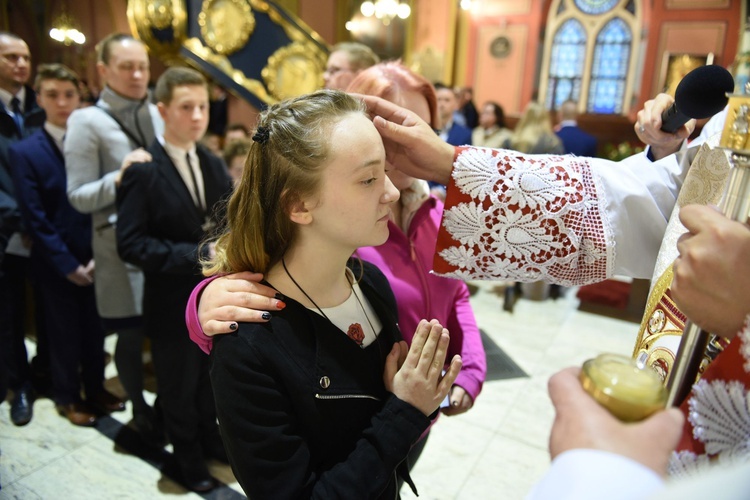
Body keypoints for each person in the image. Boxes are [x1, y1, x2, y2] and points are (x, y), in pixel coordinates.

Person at [204, 89, 462, 498]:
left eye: (386, 173)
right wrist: (406, 411)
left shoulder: (371, 283)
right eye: (367, 179)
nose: (392, 193)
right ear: (300, 205)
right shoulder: (248, 346)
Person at [115, 67, 232, 492]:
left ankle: (211, 442)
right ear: (162, 110)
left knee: (208, 381)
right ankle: (187, 463)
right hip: (169, 301)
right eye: (187, 107)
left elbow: (224, 222)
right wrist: (199, 255)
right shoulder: (145, 169)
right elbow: (130, 244)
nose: (198, 116)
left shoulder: (211, 161)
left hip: (212, 298)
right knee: (177, 388)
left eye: (203, 106)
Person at [65, 33, 159, 438]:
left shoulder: (156, 113)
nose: (138, 74)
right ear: (103, 70)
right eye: (126, 66)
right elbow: (78, 196)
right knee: (130, 330)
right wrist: (119, 177)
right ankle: (139, 408)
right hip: (118, 247)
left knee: (170, 329)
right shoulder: (86, 121)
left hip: (161, 241)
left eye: (143, 65)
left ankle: (169, 406)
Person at [9, 63, 113, 427]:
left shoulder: (91, 143)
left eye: (69, 94)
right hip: (56, 260)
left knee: (95, 329)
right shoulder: (25, 151)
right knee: (63, 333)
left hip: (96, 252)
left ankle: (96, 388)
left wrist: (100, 254)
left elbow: (102, 198)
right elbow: (35, 216)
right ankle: (68, 397)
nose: (62, 102)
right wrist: (67, 264)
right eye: (52, 94)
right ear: (39, 99)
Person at [0, 31, 50, 427]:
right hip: (7, 233)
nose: (20, 64)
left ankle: (48, 372)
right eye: (10, 56)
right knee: (10, 314)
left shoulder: (40, 108)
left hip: (45, 231)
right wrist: (24, 219)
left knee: (51, 308)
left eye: (25, 56)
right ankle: (19, 385)